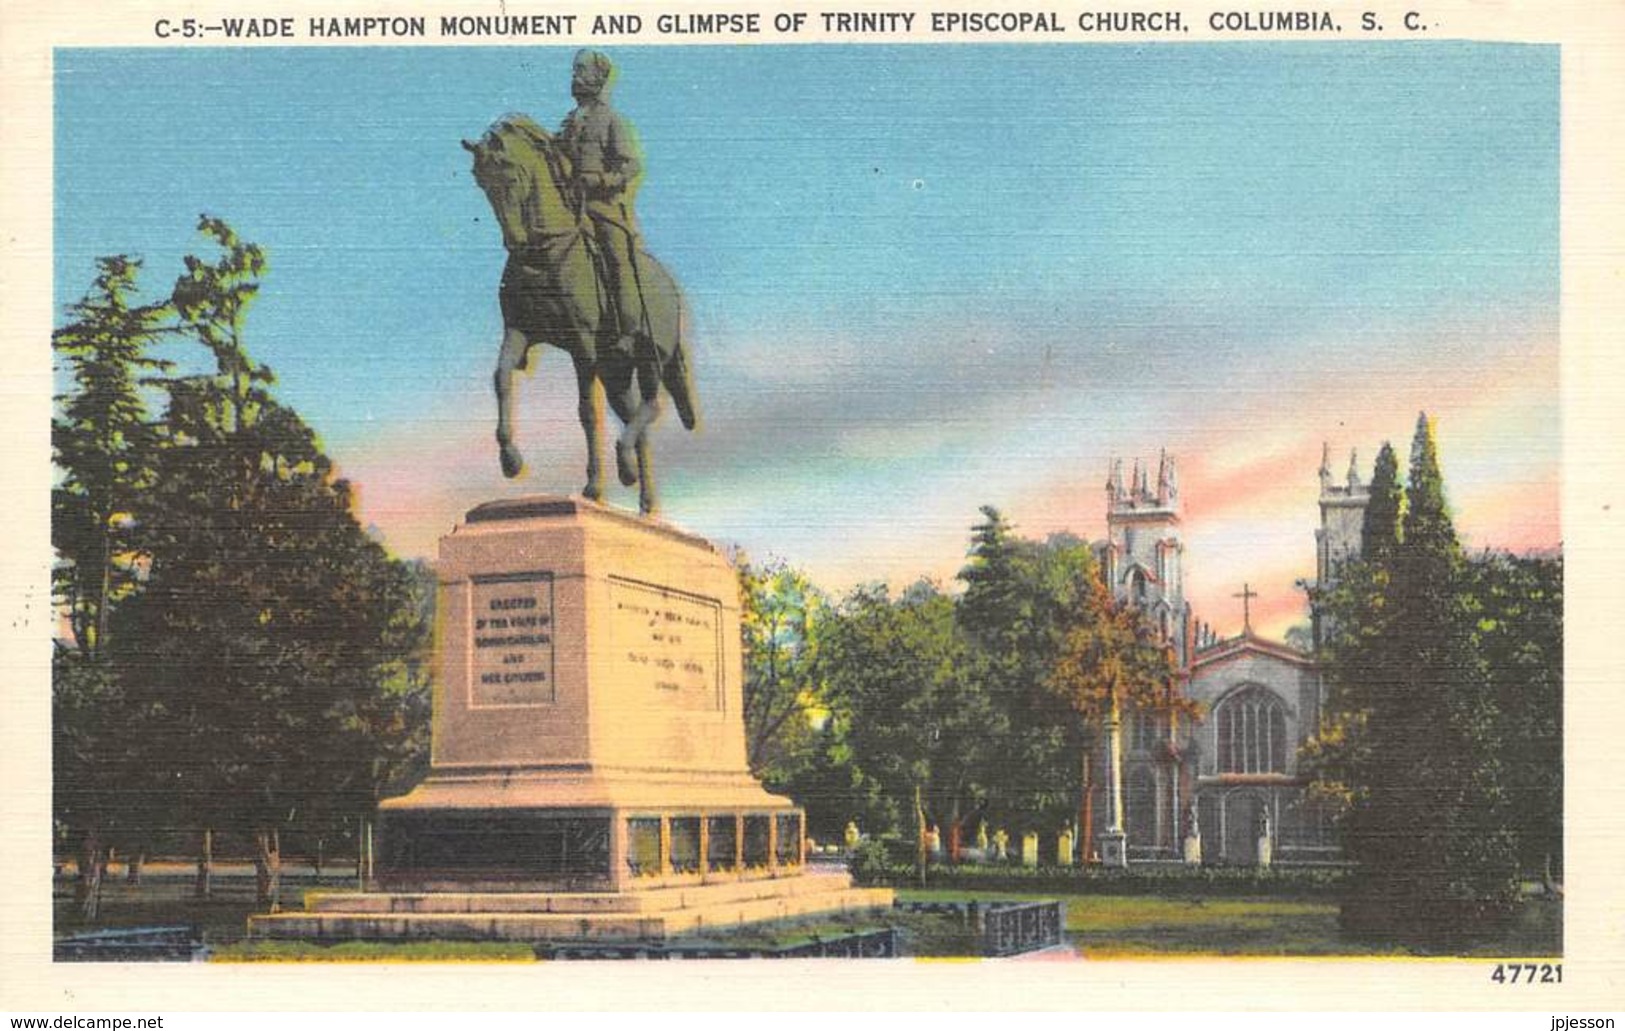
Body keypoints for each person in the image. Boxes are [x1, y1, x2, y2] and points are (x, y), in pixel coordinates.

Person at [559, 49, 646, 357]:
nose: (575, 77)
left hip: (604, 209)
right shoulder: (569, 122)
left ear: (598, 78)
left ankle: (628, 332)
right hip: (571, 208)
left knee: (617, 259)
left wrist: (603, 181)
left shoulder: (611, 120)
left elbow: (631, 165)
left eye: (582, 71)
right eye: (574, 71)